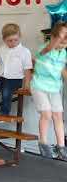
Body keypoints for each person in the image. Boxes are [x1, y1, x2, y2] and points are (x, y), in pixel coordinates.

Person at [30, 22, 67, 160]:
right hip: (39, 86)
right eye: (59, 40)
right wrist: (58, 37)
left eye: (64, 43)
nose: (61, 45)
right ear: (52, 38)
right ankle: (43, 143)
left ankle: (61, 147)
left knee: (58, 115)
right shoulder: (44, 48)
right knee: (46, 114)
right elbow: (49, 48)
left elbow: (62, 70)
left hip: (54, 88)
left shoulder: (63, 53)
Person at [0, 23, 33, 115]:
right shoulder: (1, 49)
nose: (13, 43)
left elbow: (27, 70)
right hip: (1, 77)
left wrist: (27, 84)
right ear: (4, 39)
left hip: (15, 79)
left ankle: (4, 113)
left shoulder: (24, 51)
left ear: (20, 37)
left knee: (6, 91)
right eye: (9, 41)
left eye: (15, 40)